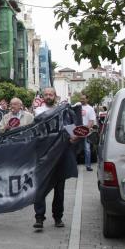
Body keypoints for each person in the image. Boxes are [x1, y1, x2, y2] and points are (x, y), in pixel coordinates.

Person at [32, 87, 78, 231]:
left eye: (50, 94)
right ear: (43, 97)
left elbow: (72, 129)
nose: (48, 96)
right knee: (39, 188)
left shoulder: (64, 112)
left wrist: (73, 137)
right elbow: (37, 129)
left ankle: (58, 217)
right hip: (43, 157)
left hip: (59, 157)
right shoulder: (38, 112)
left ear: (55, 96)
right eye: (45, 94)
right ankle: (39, 218)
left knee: (59, 190)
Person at [79, 93, 96, 171]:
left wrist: (86, 130)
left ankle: (88, 166)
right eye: (81, 98)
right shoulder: (77, 107)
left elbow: (91, 121)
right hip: (77, 131)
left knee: (87, 149)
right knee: (73, 149)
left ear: (87, 99)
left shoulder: (90, 109)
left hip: (86, 131)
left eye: (83, 98)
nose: (82, 100)